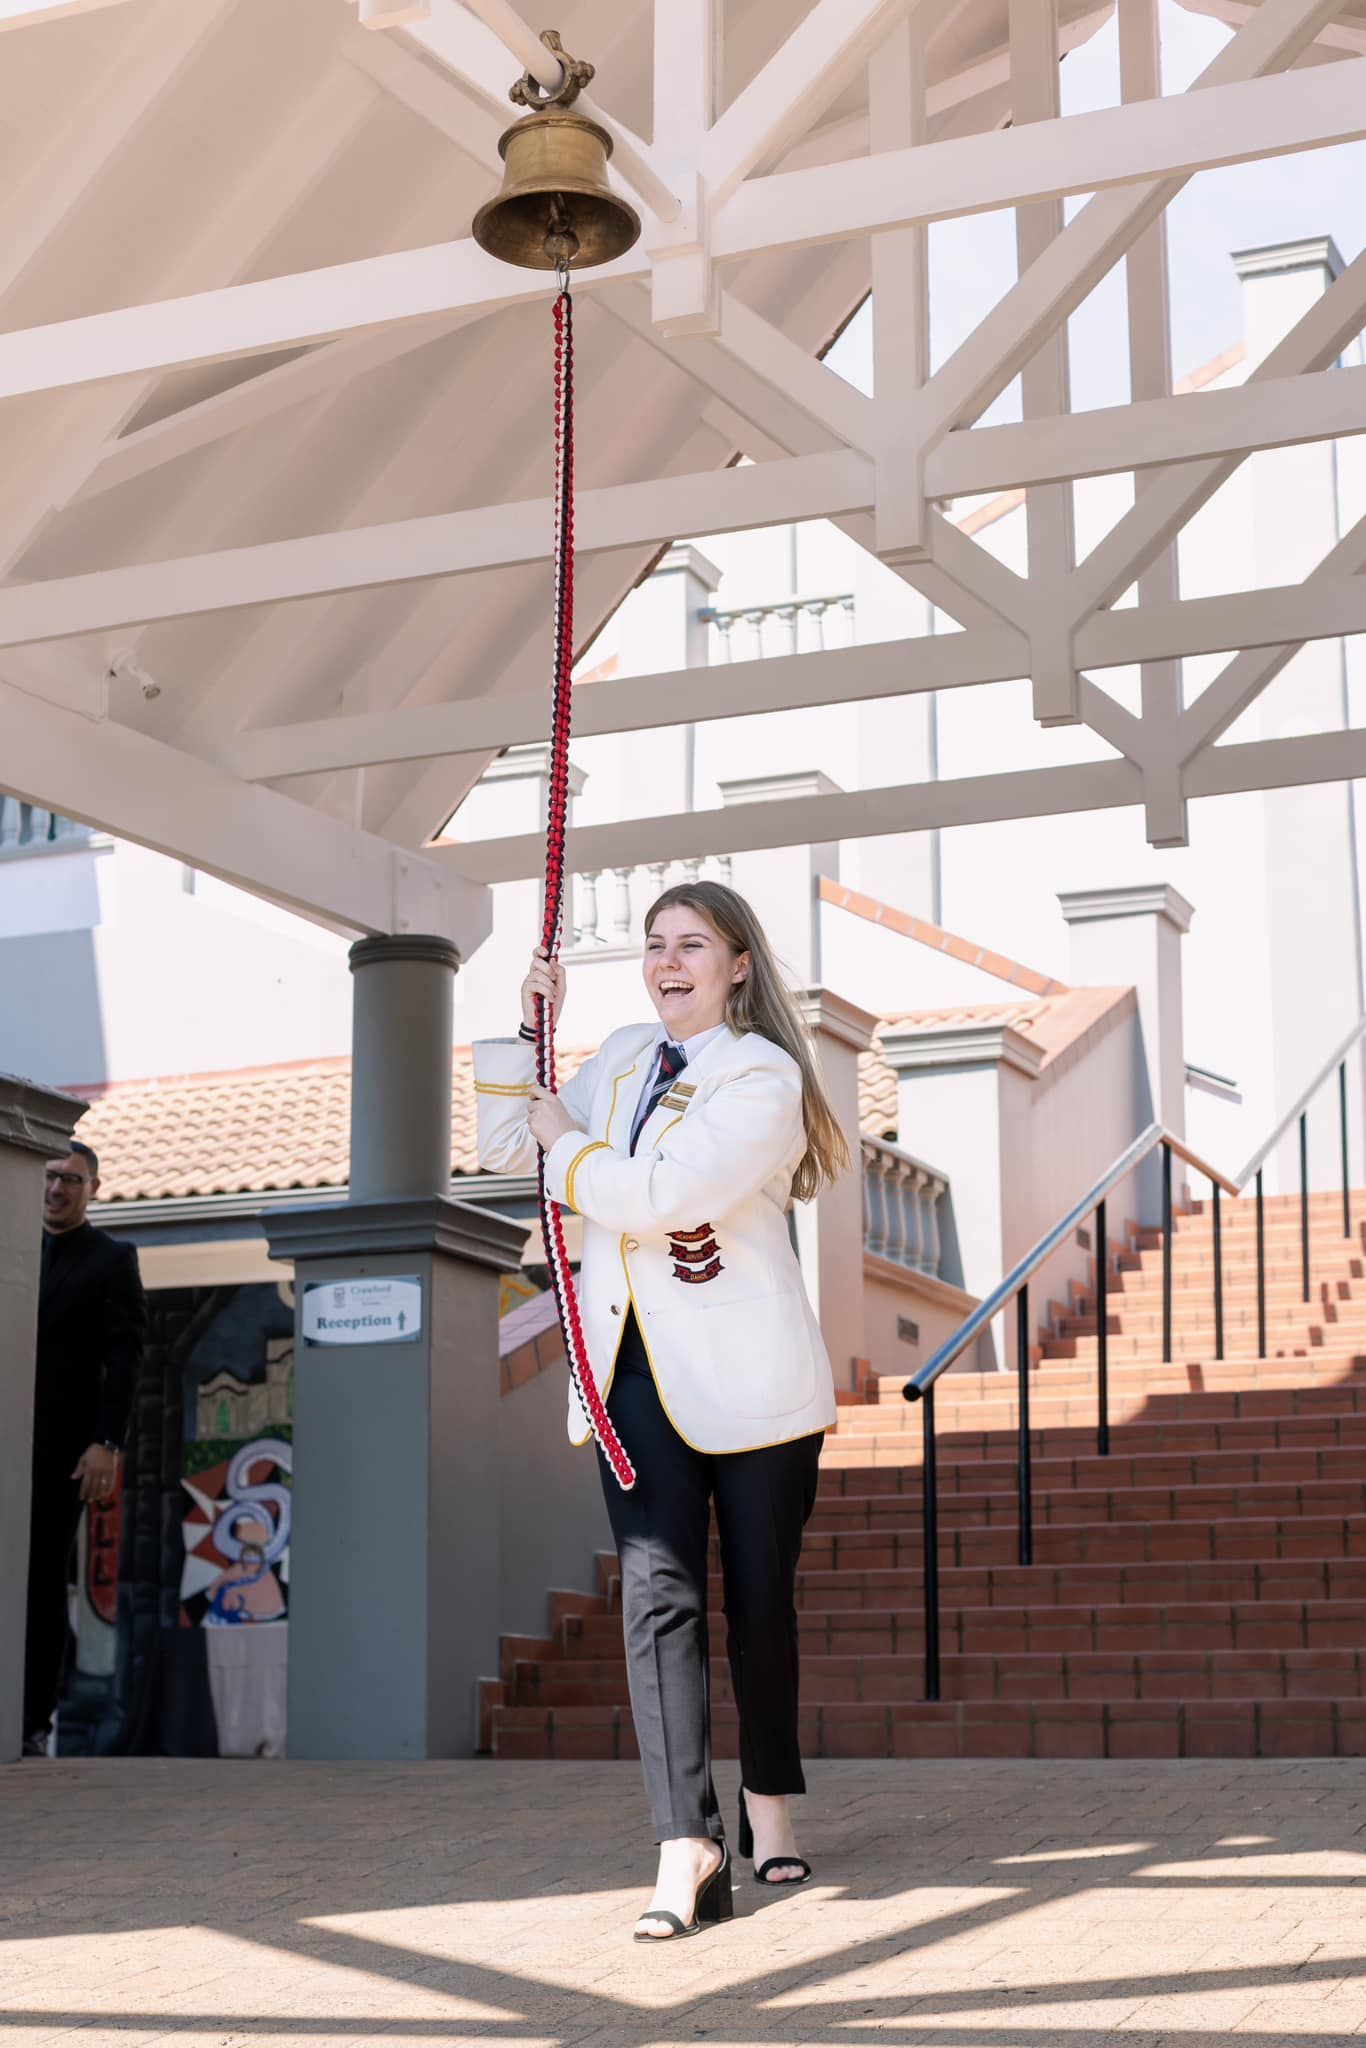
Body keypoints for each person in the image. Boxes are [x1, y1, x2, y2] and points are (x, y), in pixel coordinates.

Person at [474, 881, 848, 1939]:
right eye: (654, 944)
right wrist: (529, 1029)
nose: (667, 961)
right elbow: (505, 1145)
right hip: (629, 1370)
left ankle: (767, 1803)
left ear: (738, 964)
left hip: (754, 1382)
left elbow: (660, 1196)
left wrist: (567, 1140)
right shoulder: (625, 1056)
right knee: (656, 1601)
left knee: (760, 1604)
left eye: (692, 943)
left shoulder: (762, 1074)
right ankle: (687, 1841)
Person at [23, 1140, 145, 1756]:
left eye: (70, 1179)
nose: (56, 1189)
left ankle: (31, 1720)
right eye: (49, 1177)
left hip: (62, 1452)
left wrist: (106, 1442)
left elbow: (124, 1360)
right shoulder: (11, 1249)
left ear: (93, 1188)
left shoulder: (112, 1259)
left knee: (41, 1581)